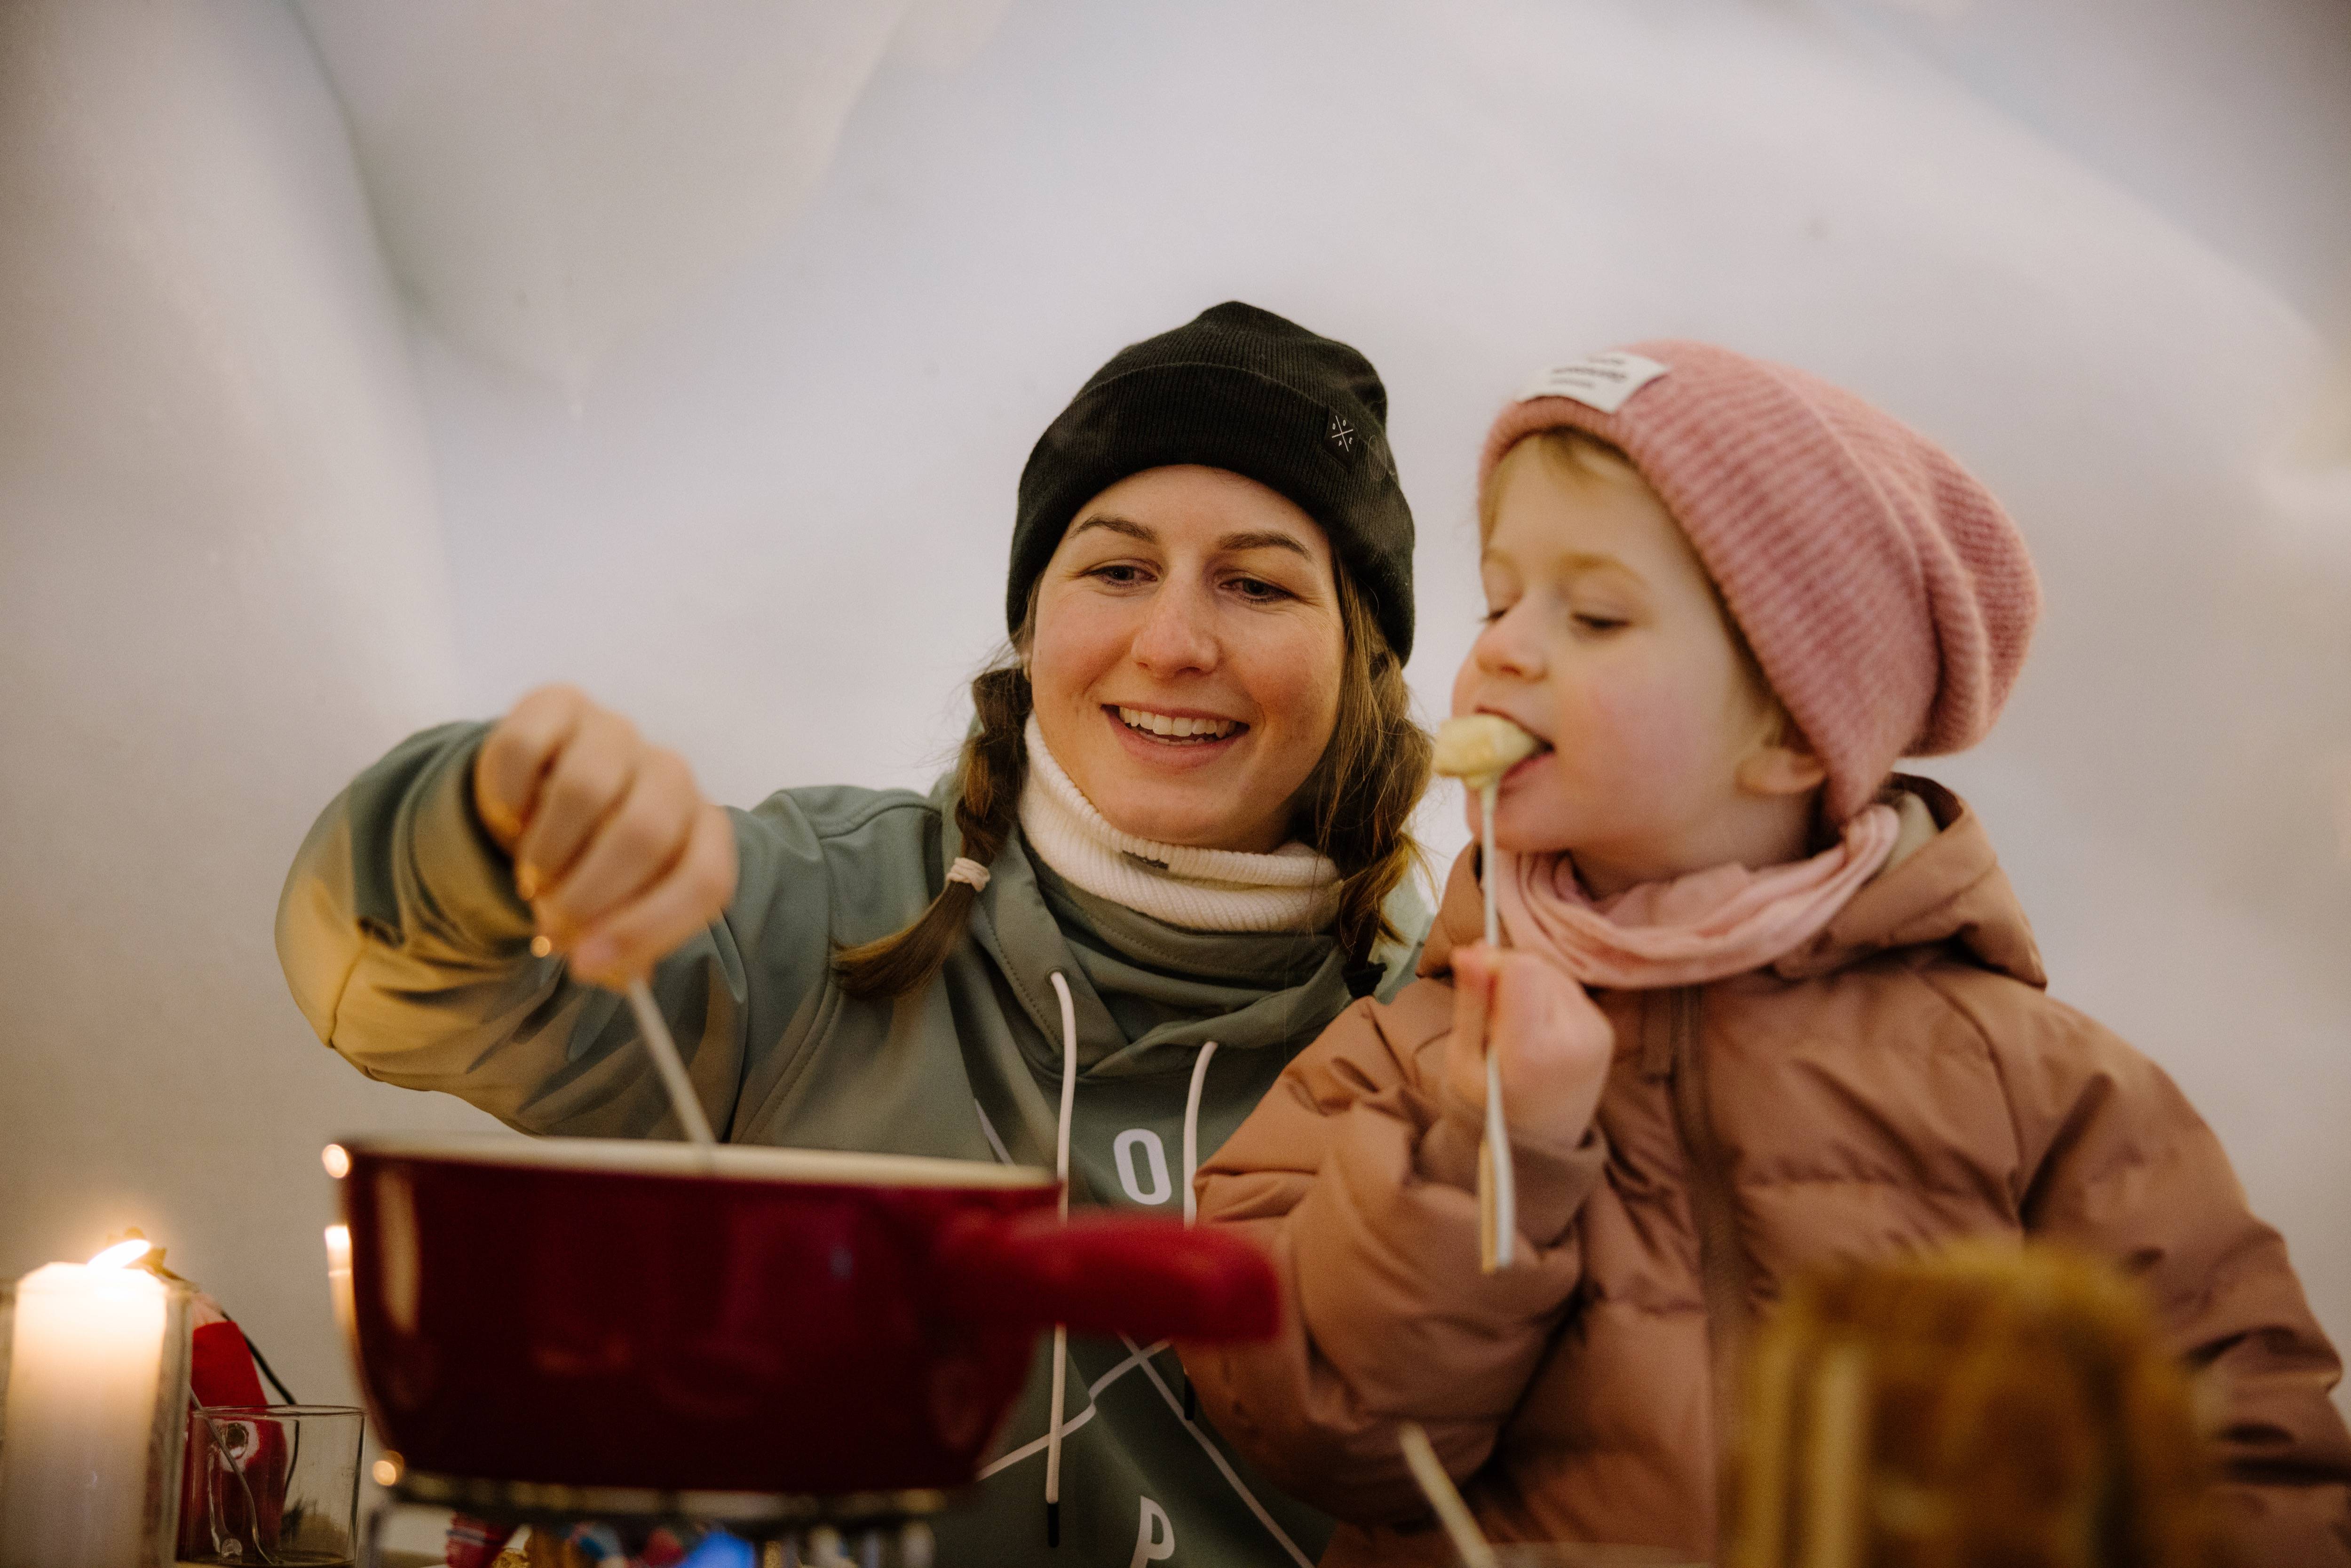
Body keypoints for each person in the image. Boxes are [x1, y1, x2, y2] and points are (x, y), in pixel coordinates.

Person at [276, 301, 1436, 1567]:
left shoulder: (1446, 1040)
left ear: (1361, 660)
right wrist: (492, 820)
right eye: (1115, 568)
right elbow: (384, 979)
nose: (1173, 642)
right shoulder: (828, 914)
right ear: (1035, 621)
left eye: (1258, 584)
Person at [1185, 342, 2351, 1565]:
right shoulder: (1402, 1053)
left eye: (1594, 614)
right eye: (1500, 599)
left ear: (1794, 732)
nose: (1508, 650)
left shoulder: (2034, 1086)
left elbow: (2246, 1438)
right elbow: (1312, 1424)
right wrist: (1487, 1148)